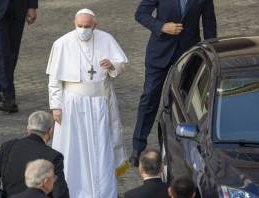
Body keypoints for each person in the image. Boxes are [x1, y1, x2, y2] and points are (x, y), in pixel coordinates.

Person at [46, 8, 129, 198]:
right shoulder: (62, 43)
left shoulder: (106, 39)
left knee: (101, 147)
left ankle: (101, 193)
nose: (83, 29)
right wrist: (56, 107)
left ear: (95, 26)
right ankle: (73, 191)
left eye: (87, 26)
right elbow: (54, 79)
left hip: (100, 103)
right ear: (74, 24)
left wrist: (112, 65)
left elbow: (121, 65)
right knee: (74, 149)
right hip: (72, 105)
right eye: (80, 26)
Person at [130, 0, 217, 166]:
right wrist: (162, 26)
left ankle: (189, 149)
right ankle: (138, 146)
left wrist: (211, 54)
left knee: (190, 101)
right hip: (159, 52)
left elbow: (209, 25)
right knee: (149, 97)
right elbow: (140, 14)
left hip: (189, 53)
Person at [0, 111, 69, 198]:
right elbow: (60, 193)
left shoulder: (8, 146)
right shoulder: (54, 156)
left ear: (28, 128)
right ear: (50, 131)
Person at [0, 0, 38, 112]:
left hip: (18, 7)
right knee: (2, 53)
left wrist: (32, 6)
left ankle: (0, 89)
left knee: (13, 53)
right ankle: (9, 97)